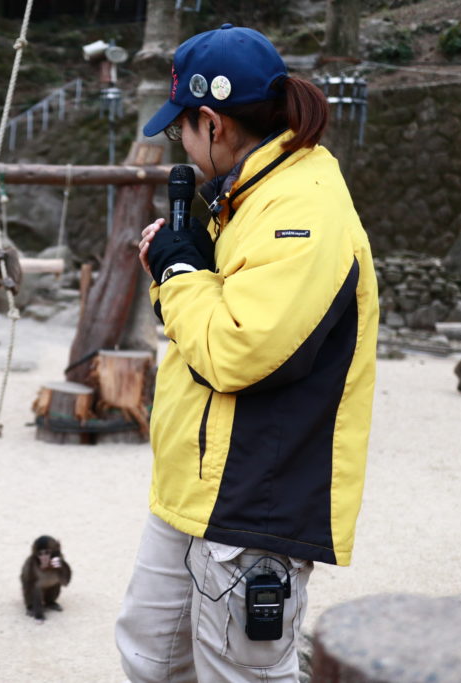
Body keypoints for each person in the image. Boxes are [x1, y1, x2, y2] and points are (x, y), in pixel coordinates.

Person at [115, 23, 380, 682]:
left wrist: (176, 272)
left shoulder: (303, 207)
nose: (181, 140)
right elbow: (210, 315)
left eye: (182, 128)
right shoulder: (247, 196)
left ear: (214, 123)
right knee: (149, 657)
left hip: (255, 498)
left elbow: (236, 349)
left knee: (244, 674)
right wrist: (188, 264)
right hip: (193, 491)